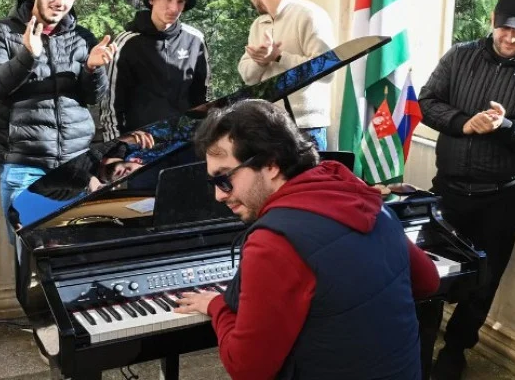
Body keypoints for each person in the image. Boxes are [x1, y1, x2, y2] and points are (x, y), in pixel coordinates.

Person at [175, 99, 441, 380]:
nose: (219, 195)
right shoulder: (363, 199)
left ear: (271, 164)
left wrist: (217, 305)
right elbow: (428, 282)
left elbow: (247, 369)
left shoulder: (274, 243)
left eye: (224, 178)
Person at [417, 0, 515, 380]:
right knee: (430, 274)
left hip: (502, 198)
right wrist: (462, 123)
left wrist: (505, 126)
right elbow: (428, 102)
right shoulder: (459, 56)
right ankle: (418, 352)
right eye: (504, 27)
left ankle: (455, 352)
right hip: (448, 189)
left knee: (483, 282)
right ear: (492, 21)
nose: (510, 37)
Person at [0, 0, 145, 242]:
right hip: (25, 169)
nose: (60, 1)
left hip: (77, 168)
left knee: (75, 256)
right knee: (31, 260)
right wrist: (27, 56)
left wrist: (92, 69)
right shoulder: (3, 32)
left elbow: (93, 96)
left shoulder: (82, 38)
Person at [99, 0, 210, 142]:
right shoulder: (126, 43)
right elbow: (111, 103)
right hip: (141, 143)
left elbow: (201, 97)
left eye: (180, 1)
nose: (174, 8)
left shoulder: (195, 40)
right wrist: (117, 146)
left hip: (184, 140)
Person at [237, 0, 334, 150]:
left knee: (310, 180)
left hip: (306, 127)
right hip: (269, 126)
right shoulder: (258, 24)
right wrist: (262, 61)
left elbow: (328, 70)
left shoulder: (310, 14)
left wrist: (279, 56)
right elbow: (247, 76)